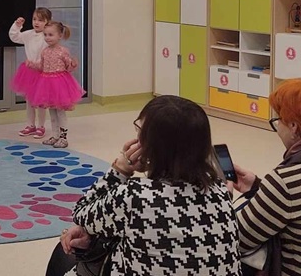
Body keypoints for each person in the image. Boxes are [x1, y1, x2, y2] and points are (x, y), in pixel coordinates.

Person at [49, 95, 241, 276]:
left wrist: (120, 168)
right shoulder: (221, 191)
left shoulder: (134, 196)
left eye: (139, 132)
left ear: (151, 146)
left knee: (64, 254)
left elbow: (81, 212)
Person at [231, 78, 301, 276]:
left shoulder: (285, 182)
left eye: (278, 120)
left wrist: (222, 199)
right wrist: (258, 188)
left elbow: (235, 239)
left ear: (294, 127)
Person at [28, 21, 84, 148]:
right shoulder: (45, 51)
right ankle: (55, 135)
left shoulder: (63, 51)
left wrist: (73, 64)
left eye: (51, 35)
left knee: (60, 112)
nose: (47, 38)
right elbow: (41, 66)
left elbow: (68, 67)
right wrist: (32, 65)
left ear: (60, 36)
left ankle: (63, 138)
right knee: (52, 111)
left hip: (59, 84)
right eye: (45, 35)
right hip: (47, 84)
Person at [10, 7, 52, 138]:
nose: (36, 22)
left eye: (41, 20)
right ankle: (30, 125)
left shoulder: (47, 37)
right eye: (34, 19)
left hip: (42, 72)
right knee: (29, 101)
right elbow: (14, 37)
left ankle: (41, 126)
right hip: (29, 72)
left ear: (47, 22)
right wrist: (17, 25)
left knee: (41, 102)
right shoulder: (28, 34)